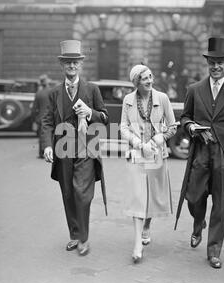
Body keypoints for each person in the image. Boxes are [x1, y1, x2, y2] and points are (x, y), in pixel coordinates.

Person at [175, 37, 224, 269]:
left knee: (221, 203)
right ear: (207, 64)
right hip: (200, 151)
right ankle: (199, 222)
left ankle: (214, 250)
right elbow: (184, 117)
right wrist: (190, 127)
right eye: (212, 62)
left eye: (220, 62)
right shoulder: (195, 89)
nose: (216, 67)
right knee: (194, 197)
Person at [40, 40, 109, 256]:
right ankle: (75, 234)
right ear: (62, 66)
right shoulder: (54, 93)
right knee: (68, 193)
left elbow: (105, 118)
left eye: (75, 63)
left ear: (80, 65)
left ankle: (84, 238)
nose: (71, 67)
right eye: (68, 63)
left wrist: (90, 113)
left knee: (83, 194)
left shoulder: (92, 89)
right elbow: (47, 122)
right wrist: (47, 146)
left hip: (86, 148)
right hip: (63, 150)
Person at [120, 64, 177, 264]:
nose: (149, 80)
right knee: (138, 197)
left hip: (155, 154)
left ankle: (146, 227)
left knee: (151, 197)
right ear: (136, 82)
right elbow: (123, 127)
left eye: (150, 76)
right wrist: (138, 143)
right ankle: (137, 244)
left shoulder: (162, 98)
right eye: (144, 78)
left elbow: (173, 127)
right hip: (136, 153)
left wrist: (157, 140)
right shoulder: (128, 100)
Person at [34, 74, 52, 158]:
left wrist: (35, 118)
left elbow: (34, 108)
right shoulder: (52, 91)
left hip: (41, 117)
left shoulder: (38, 93)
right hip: (52, 116)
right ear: (47, 81)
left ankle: (42, 153)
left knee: (42, 135)